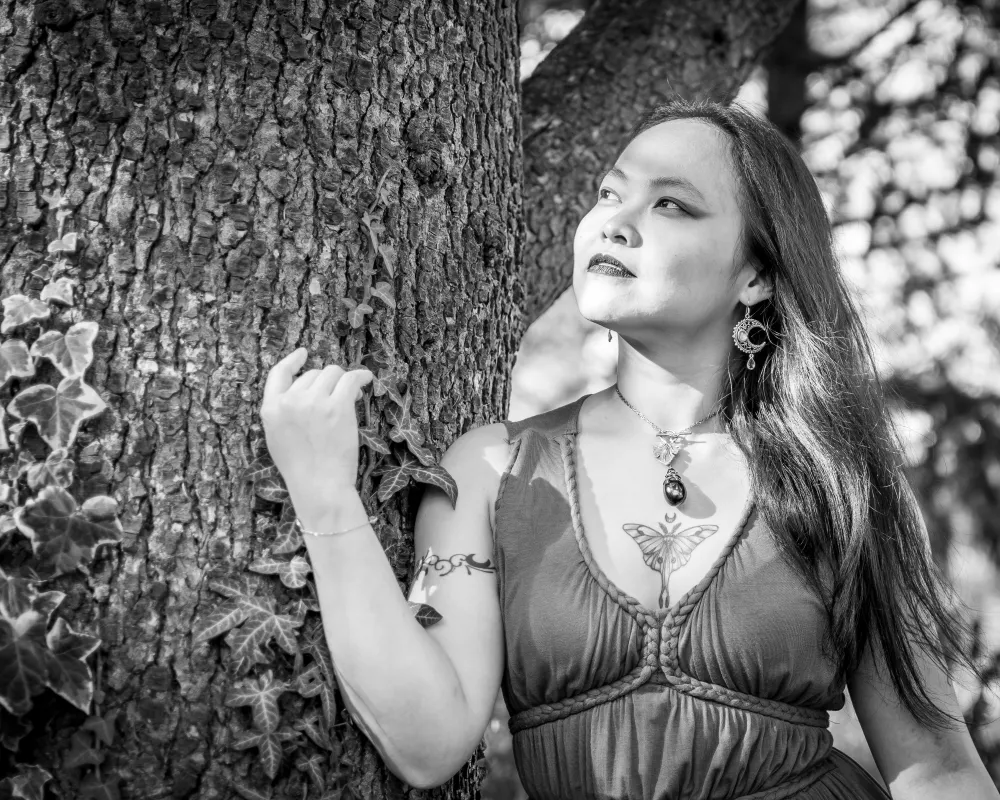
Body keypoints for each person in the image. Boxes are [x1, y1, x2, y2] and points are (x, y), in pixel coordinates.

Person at [259, 99, 999, 799]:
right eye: (610, 194)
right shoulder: (490, 470)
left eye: (671, 204)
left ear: (755, 276)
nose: (614, 223)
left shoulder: (840, 481)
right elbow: (428, 743)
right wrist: (326, 499)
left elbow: (935, 767)